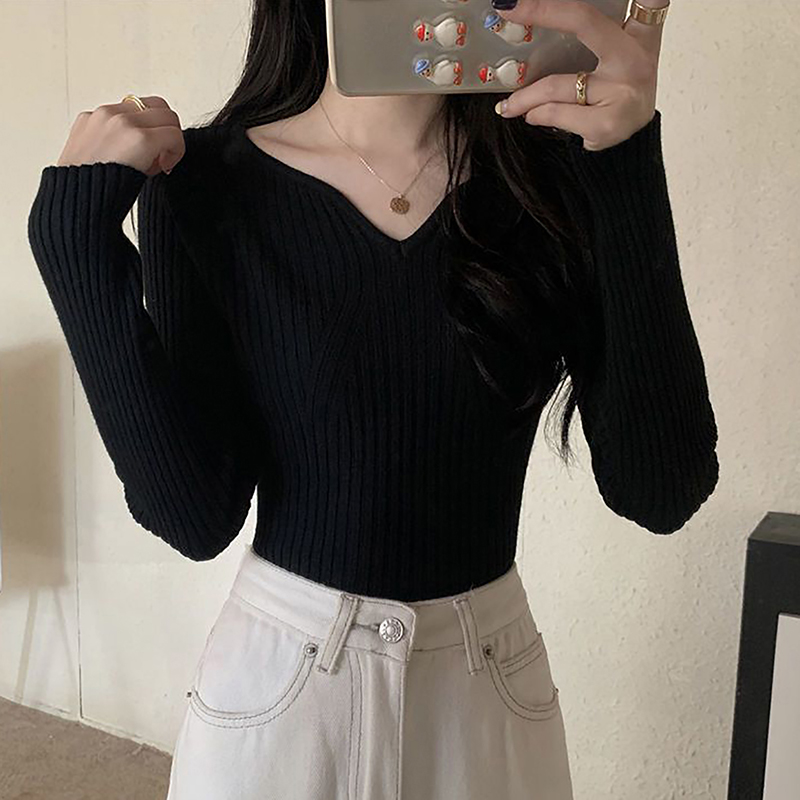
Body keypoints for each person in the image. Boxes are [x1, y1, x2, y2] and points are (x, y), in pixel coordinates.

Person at [27, 0, 718, 797]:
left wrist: (627, 157)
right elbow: (194, 514)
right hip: (283, 695)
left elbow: (661, 489)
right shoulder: (206, 183)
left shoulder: (549, 181)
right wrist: (75, 247)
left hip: (484, 698)